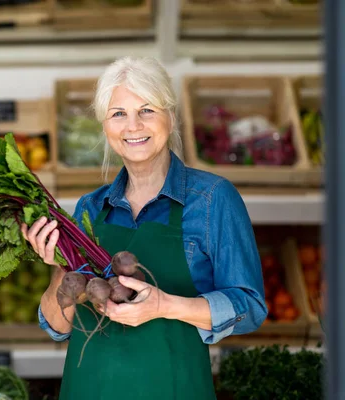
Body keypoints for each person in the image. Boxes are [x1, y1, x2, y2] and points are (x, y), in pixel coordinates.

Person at [21, 56, 268, 399]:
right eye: (118, 113)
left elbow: (250, 306)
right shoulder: (90, 209)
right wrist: (57, 268)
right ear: (105, 126)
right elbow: (58, 327)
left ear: (171, 116)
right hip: (90, 388)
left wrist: (165, 306)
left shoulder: (212, 199)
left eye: (147, 110)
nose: (133, 126)